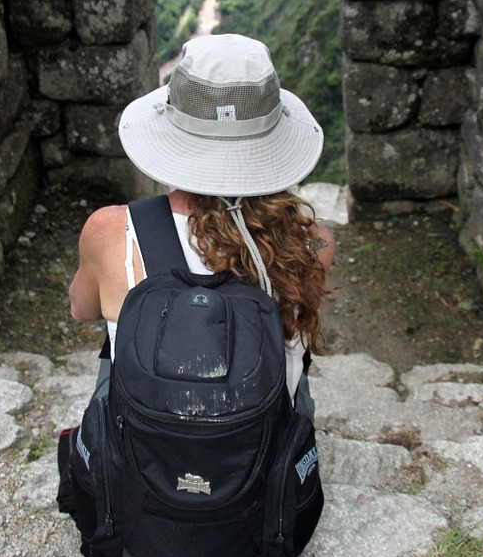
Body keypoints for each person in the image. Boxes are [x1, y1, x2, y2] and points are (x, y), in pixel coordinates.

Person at [68, 33, 335, 413]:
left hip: (149, 457)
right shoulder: (310, 245)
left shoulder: (111, 233)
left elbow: (81, 309)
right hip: (257, 455)